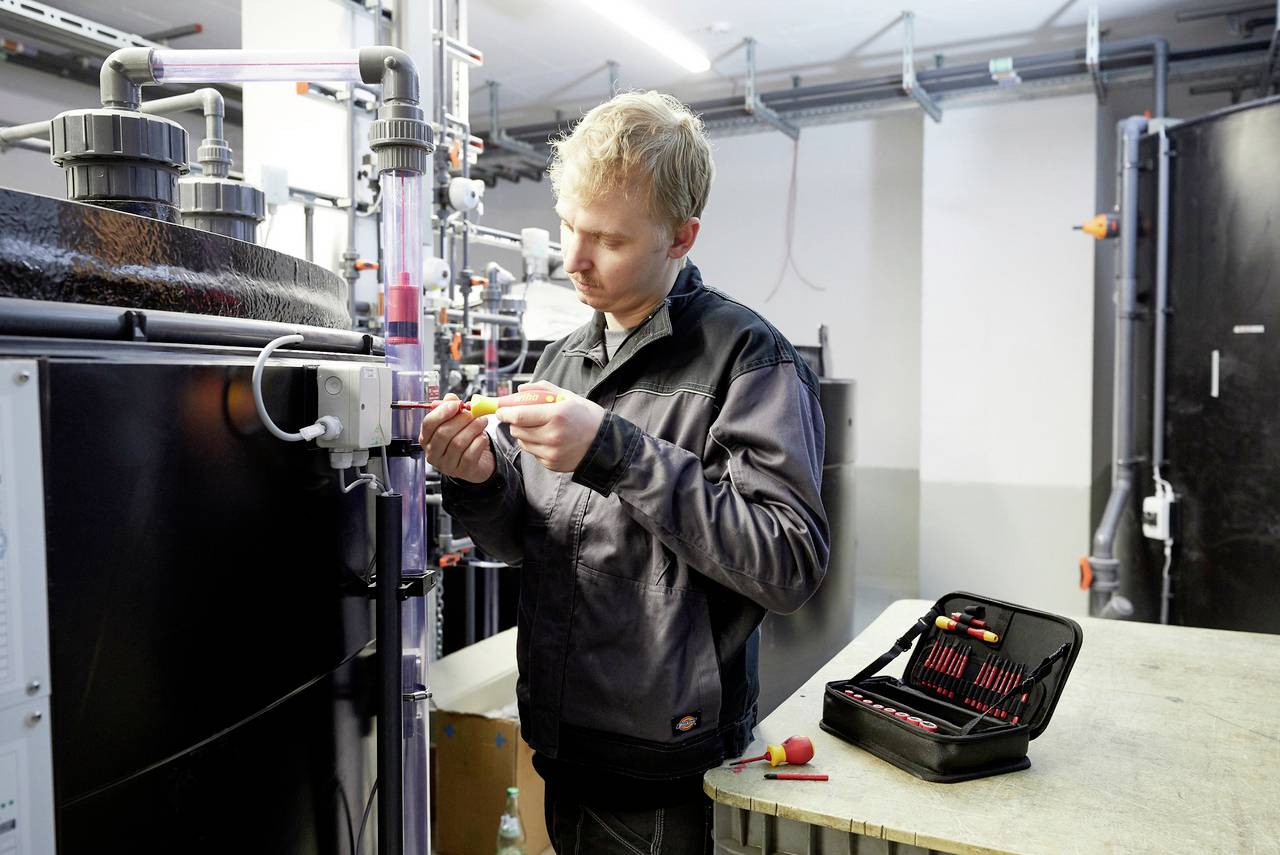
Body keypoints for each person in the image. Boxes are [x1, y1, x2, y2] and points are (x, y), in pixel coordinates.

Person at [420, 91, 829, 855]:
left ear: (681, 236)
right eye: (571, 226)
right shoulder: (564, 356)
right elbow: (529, 539)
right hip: (564, 741)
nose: (574, 259)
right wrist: (478, 481)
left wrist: (615, 448)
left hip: (666, 772)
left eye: (605, 239)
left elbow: (788, 561)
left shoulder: (748, 358)